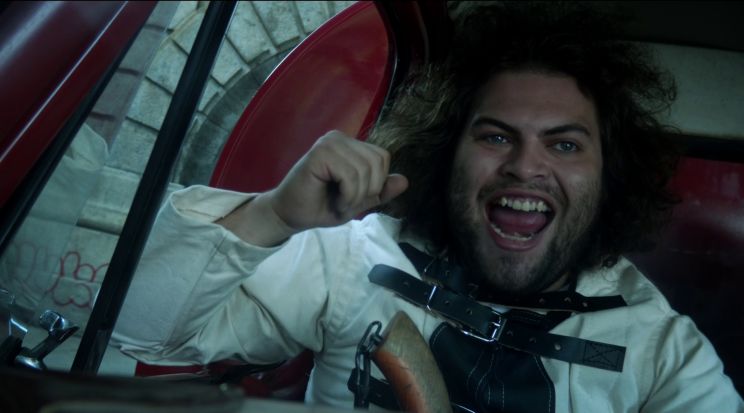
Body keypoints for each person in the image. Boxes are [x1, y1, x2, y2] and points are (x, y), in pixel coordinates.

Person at [112, 2, 743, 412]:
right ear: (447, 153)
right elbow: (145, 331)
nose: (526, 167)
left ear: (608, 177)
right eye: (496, 137)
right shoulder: (355, 256)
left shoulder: (663, 351)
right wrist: (273, 215)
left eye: (565, 144)